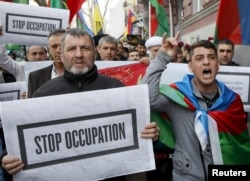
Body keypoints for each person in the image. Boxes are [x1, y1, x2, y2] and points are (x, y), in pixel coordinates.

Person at [1, 28, 160, 181]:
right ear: (61, 55)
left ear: (94, 53)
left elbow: (134, 135)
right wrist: (7, 159)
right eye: (71, 49)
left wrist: (149, 135)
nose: (78, 54)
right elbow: (26, 146)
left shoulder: (116, 88)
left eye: (85, 48)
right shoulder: (43, 94)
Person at [141, 32, 250, 180]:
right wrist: (162, 57)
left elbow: (239, 145)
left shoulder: (231, 100)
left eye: (212, 58)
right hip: (186, 175)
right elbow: (147, 98)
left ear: (217, 65)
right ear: (190, 67)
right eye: (199, 58)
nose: (206, 62)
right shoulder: (178, 96)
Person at [27, 28, 66, 98]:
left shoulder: (82, 73)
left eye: (63, 45)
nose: (58, 50)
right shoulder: (35, 77)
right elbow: (32, 104)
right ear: (49, 50)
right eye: (54, 46)